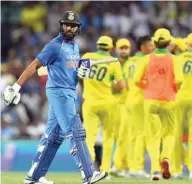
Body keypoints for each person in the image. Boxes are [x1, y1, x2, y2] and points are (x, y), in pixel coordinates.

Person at [3, 11, 107, 184]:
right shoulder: (54, 46)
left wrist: (82, 70)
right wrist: (16, 86)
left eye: (73, 26)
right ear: (61, 26)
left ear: (78, 29)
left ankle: (34, 176)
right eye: (66, 25)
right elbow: (35, 65)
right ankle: (88, 173)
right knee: (75, 131)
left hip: (70, 92)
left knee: (53, 136)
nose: (69, 28)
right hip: (59, 92)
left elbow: (70, 68)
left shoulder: (75, 46)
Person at [134, 28, 178, 180]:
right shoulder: (174, 59)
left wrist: (149, 87)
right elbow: (179, 80)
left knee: (152, 137)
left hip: (150, 100)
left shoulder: (146, 59)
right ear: (168, 42)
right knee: (169, 134)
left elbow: (135, 80)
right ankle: (166, 158)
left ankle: (154, 170)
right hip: (169, 100)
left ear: (154, 42)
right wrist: (172, 90)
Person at [81, 36, 125, 174]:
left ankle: (89, 168)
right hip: (108, 103)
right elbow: (122, 86)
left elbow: (80, 75)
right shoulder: (113, 62)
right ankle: (105, 169)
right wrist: (110, 82)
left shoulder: (87, 56)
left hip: (90, 103)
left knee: (89, 137)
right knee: (108, 137)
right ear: (111, 48)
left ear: (98, 46)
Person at [123, 36, 153, 178]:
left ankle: (130, 167)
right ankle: (138, 167)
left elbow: (125, 81)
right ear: (143, 47)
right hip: (141, 99)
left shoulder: (130, 61)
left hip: (130, 99)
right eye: (150, 45)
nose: (152, 48)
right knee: (142, 134)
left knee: (133, 135)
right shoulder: (147, 60)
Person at [110, 38, 130, 178]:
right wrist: (121, 85)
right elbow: (111, 85)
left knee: (125, 136)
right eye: (121, 47)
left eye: (126, 47)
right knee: (116, 137)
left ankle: (120, 166)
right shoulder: (111, 64)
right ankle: (123, 167)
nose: (123, 50)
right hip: (112, 104)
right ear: (116, 49)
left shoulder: (133, 64)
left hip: (127, 105)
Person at [174, 33, 192, 180]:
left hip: (180, 98)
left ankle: (177, 168)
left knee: (177, 134)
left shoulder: (178, 58)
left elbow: (176, 80)